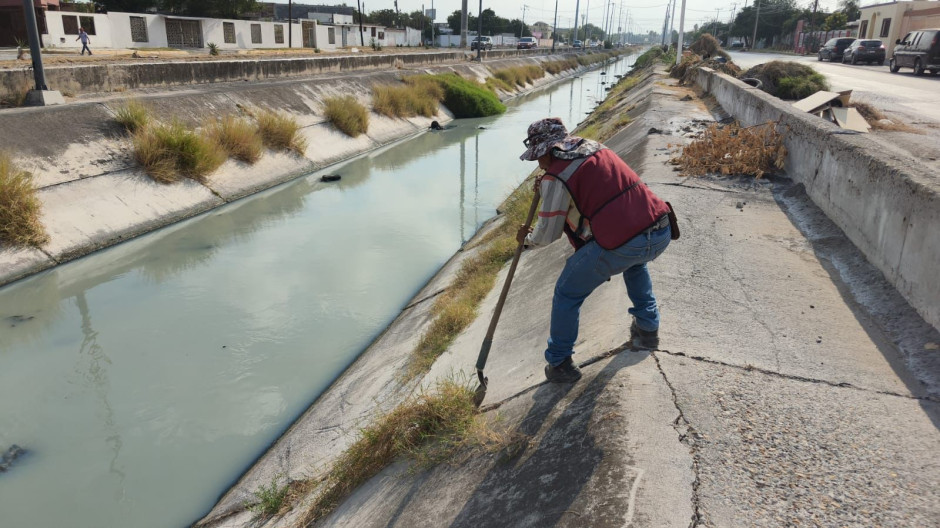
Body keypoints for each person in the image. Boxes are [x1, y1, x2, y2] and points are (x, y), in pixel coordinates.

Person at [518, 117, 673, 383]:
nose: (538, 164)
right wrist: (547, 186)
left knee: (567, 292)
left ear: (547, 151)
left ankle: (559, 363)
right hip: (660, 228)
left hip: (625, 241)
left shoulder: (555, 176)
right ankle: (648, 330)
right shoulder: (594, 147)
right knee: (635, 264)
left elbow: (548, 234)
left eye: (538, 157)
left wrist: (527, 238)